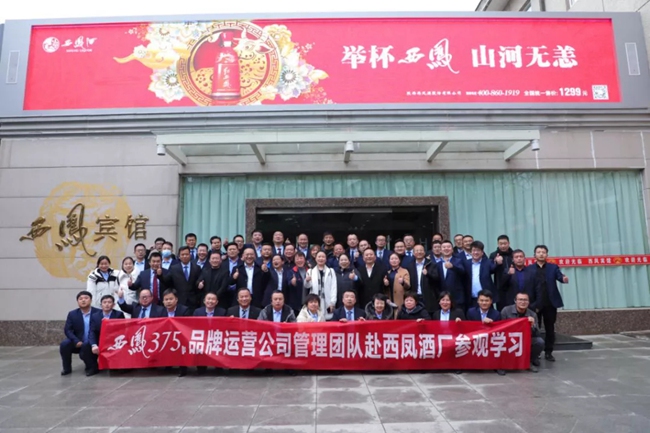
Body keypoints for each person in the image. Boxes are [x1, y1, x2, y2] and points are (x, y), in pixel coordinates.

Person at [527, 244, 569, 362]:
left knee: (550, 328)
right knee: (535, 328)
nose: (541, 254)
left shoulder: (553, 267)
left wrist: (564, 279)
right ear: (534, 255)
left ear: (547, 255)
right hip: (535, 303)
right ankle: (536, 351)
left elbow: (560, 277)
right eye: (539, 252)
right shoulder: (529, 269)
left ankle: (549, 352)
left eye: (543, 252)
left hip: (550, 303)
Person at [501, 292, 545, 373]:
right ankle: (503, 364)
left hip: (524, 340)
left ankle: (529, 361)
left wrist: (532, 325)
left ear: (528, 302)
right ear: (515, 301)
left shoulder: (532, 314)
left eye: (525, 300)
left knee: (539, 342)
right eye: (520, 299)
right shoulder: (506, 311)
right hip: (508, 339)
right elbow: (500, 328)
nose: (523, 302)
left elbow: (537, 333)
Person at [60, 291, 100, 376]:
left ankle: (91, 368)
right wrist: (76, 341)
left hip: (94, 341)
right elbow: (68, 330)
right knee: (64, 344)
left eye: (86, 298)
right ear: (77, 301)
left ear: (91, 300)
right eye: (80, 299)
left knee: (86, 346)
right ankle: (67, 368)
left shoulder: (98, 313)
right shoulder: (72, 314)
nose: (83, 300)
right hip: (78, 340)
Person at [467, 290, 505, 375]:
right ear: (478, 301)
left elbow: (499, 331)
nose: (484, 303)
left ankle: (497, 366)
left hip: (490, 339)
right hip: (475, 338)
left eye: (486, 301)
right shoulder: (471, 312)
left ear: (491, 301)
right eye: (482, 300)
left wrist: (491, 324)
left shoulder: (496, 314)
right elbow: (468, 328)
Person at [87, 294, 125, 376]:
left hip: (114, 340)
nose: (107, 304)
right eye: (104, 302)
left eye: (109, 302)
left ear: (113, 305)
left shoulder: (118, 314)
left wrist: (109, 323)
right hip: (100, 340)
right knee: (87, 345)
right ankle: (93, 367)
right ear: (101, 305)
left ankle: (117, 366)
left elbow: (122, 330)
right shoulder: (95, 316)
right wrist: (94, 345)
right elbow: (92, 331)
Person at [162, 246, 202, 311]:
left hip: (193, 301)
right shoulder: (174, 268)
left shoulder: (197, 268)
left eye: (186, 254)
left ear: (190, 255)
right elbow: (166, 282)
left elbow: (199, 281)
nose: (185, 256)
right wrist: (159, 275)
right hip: (179, 300)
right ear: (179, 256)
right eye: (182, 254)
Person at [406, 245, 440, 313]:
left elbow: (437, 279)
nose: (419, 252)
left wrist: (428, 274)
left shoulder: (431, 264)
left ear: (424, 252)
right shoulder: (409, 265)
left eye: (421, 250)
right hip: (415, 296)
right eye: (417, 251)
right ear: (413, 253)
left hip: (428, 296)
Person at [464, 241, 498, 308]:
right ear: (470, 252)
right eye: (474, 250)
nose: (476, 252)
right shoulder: (465, 263)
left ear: (482, 253)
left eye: (478, 250)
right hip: (471, 299)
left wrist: (497, 262)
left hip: (486, 298)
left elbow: (494, 268)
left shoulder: (488, 262)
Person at [305, 250, 337, 320]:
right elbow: (307, 286)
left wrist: (332, 302)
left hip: (328, 301)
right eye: (319, 257)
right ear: (315, 258)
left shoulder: (331, 271)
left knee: (328, 319)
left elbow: (334, 287)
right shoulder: (310, 271)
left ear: (326, 259)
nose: (321, 258)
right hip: (315, 300)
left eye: (323, 257)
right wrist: (307, 281)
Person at [437, 241, 467, 311]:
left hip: (457, 296)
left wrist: (453, 267)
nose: (446, 249)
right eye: (444, 247)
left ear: (452, 249)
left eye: (448, 247)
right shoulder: (437, 264)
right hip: (443, 297)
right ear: (441, 250)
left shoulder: (459, 261)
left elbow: (463, 272)